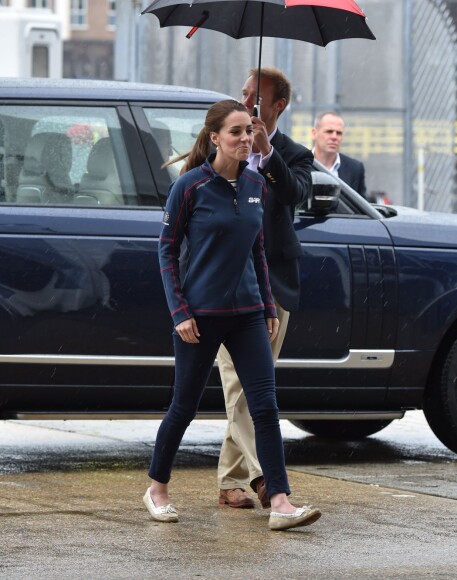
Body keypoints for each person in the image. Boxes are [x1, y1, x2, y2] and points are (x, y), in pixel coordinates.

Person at [145, 99, 321, 531]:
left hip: (247, 315)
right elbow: (166, 251)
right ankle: (157, 488)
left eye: (249, 132)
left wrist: (266, 304)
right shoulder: (189, 187)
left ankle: (280, 501)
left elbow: (257, 250)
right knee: (183, 406)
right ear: (214, 138)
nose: (246, 139)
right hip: (199, 316)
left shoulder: (257, 184)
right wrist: (179, 311)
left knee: (265, 406)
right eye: (237, 132)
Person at [216, 68, 313, 510]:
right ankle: (263, 478)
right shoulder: (226, 145)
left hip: (270, 281)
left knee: (257, 383)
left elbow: (294, 195)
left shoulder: (294, 154)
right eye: (243, 93)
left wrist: (266, 153)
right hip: (224, 281)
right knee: (239, 380)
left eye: (256, 98)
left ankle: (231, 479)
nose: (247, 102)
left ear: (277, 107)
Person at [311, 111, 367, 199]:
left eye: (339, 133)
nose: (334, 137)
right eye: (329, 131)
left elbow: (362, 208)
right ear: (314, 133)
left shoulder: (355, 168)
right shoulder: (299, 163)